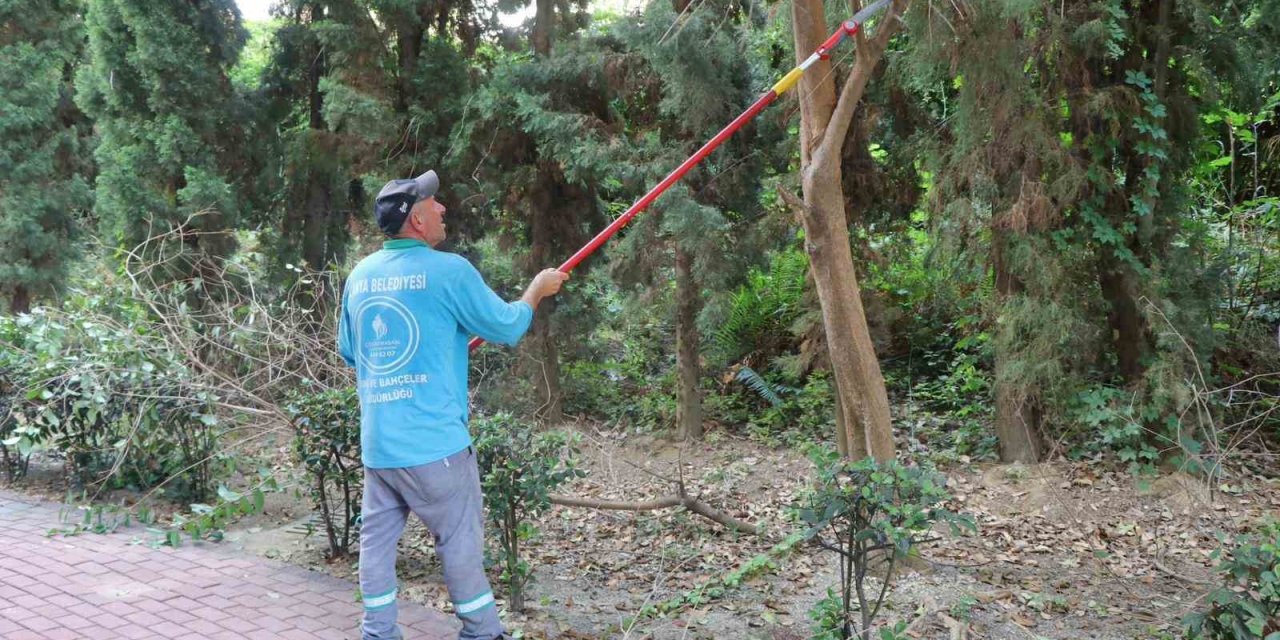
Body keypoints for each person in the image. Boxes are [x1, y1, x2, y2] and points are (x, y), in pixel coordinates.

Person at [337, 170, 568, 640]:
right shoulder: (449, 271)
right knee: (459, 543)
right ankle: (482, 631)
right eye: (434, 204)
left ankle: (378, 632)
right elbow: (506, 326)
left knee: (375, 546)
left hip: (380, 447)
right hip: (436, 449)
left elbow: (353, 350)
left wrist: (436, 343)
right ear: (417, 220)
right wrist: (537, 290)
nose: (442, 209)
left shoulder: (359, 278)